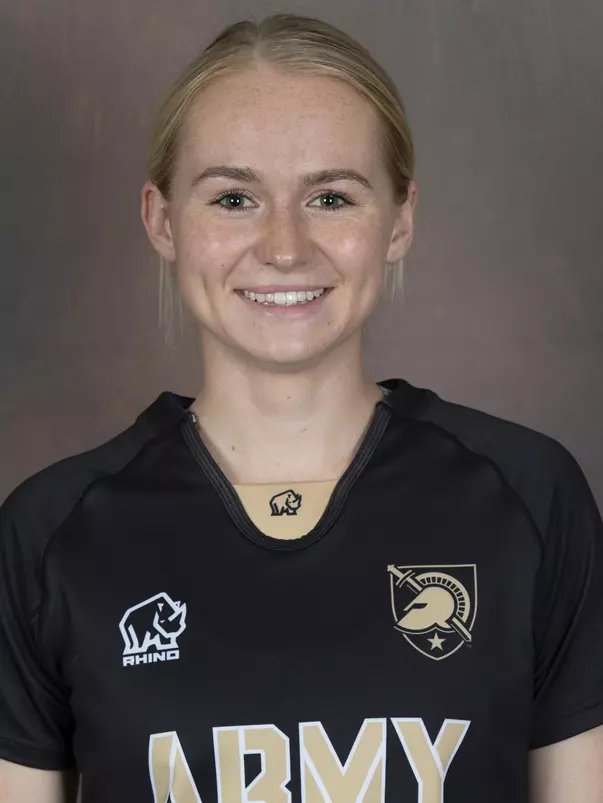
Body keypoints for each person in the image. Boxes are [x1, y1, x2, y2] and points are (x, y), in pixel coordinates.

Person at [1, 12, 602, 803]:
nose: (284, 247)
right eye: (233, 198)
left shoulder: (528, 499)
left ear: (400, 219)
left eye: (329, 196)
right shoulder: (51, 535)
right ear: (162, 219)